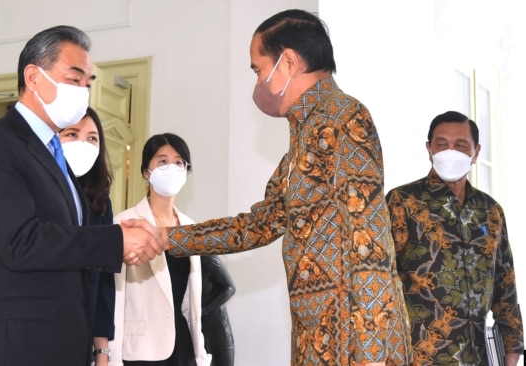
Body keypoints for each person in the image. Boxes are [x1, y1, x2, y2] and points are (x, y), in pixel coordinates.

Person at [164, 9, 412, 366]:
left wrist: (371, 350)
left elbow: (367, 236)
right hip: (318, 332)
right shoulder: (303, 137)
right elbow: (259, 224)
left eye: (258, 68)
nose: (258, 79)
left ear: (289, 62)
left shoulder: (343, 117)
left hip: (355, 340)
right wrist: (168, 239)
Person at [0, 25, 165, 366]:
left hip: (56, 344)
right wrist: (114, 241)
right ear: (33, 76)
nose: (83, 92)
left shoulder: (54, 157)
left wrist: (116, 235)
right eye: (74, 79)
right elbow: (21, 242)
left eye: (88, 83)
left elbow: (66, 241)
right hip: (9, 347)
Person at [385, 111, 524, 366]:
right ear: (429, 149)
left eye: (460, 145)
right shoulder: (402, 202)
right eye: (442, 144)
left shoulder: (490, 211)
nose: (451, 152)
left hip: (479, 356)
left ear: (476, 151)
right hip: (418, 356)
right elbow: (379, 279)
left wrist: (512, 350)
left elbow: (506, 287)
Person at [111, 133, 211, 366]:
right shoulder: (125, 222)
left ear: (187, 171)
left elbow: (191, 301)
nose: (171, 168)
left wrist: (200, 353)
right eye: (162, 161)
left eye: (178, 162)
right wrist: (111, 357)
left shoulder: (189, 226)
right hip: (141, 350)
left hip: (183, 346)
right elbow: (116, 295)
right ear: (147, 171)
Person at [59, 107, 116, 366]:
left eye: (92, 138)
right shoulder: (34, 190)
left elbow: (104, 281)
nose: (83, 143)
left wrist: (101, 353)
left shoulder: (100, 202)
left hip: (79, 337)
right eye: (72, 134)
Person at [200, 256, 236, 366]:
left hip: (218, 324)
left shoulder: (209, 259)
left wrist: (205, 308)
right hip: (200, 324)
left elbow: (230, 288)